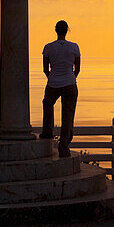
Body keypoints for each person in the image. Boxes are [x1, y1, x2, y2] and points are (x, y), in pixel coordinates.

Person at [41, 20, 81, 158]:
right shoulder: (74, 47)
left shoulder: (48, 47)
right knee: (68, 116)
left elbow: (45, 69)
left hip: (53, 83)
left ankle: (47, 132)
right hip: (70, 83)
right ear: (67, 30)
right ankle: (63, 148)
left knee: (47, 104)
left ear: (55, 30)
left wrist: (52, 77)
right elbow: (78, 68)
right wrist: (70, 78)